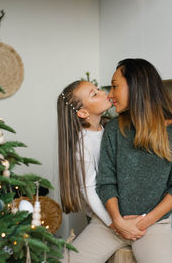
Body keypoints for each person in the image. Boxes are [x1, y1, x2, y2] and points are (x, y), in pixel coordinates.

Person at [94, 58, 172, 263]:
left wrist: (144, 222)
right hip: (111, 223)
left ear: (137, 87)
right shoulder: (114, 129)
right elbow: (106, 182)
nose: (110, 95)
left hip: (154, 225)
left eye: (115, 87)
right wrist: (117, 221)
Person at [57, 80, 114, 261]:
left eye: (97, 89)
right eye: (94, 94)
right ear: (82, 112)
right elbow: (88, 189)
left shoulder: (106, 131)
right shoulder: (83, 143)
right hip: (102, 216)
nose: (103, 92)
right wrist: (111, 222)